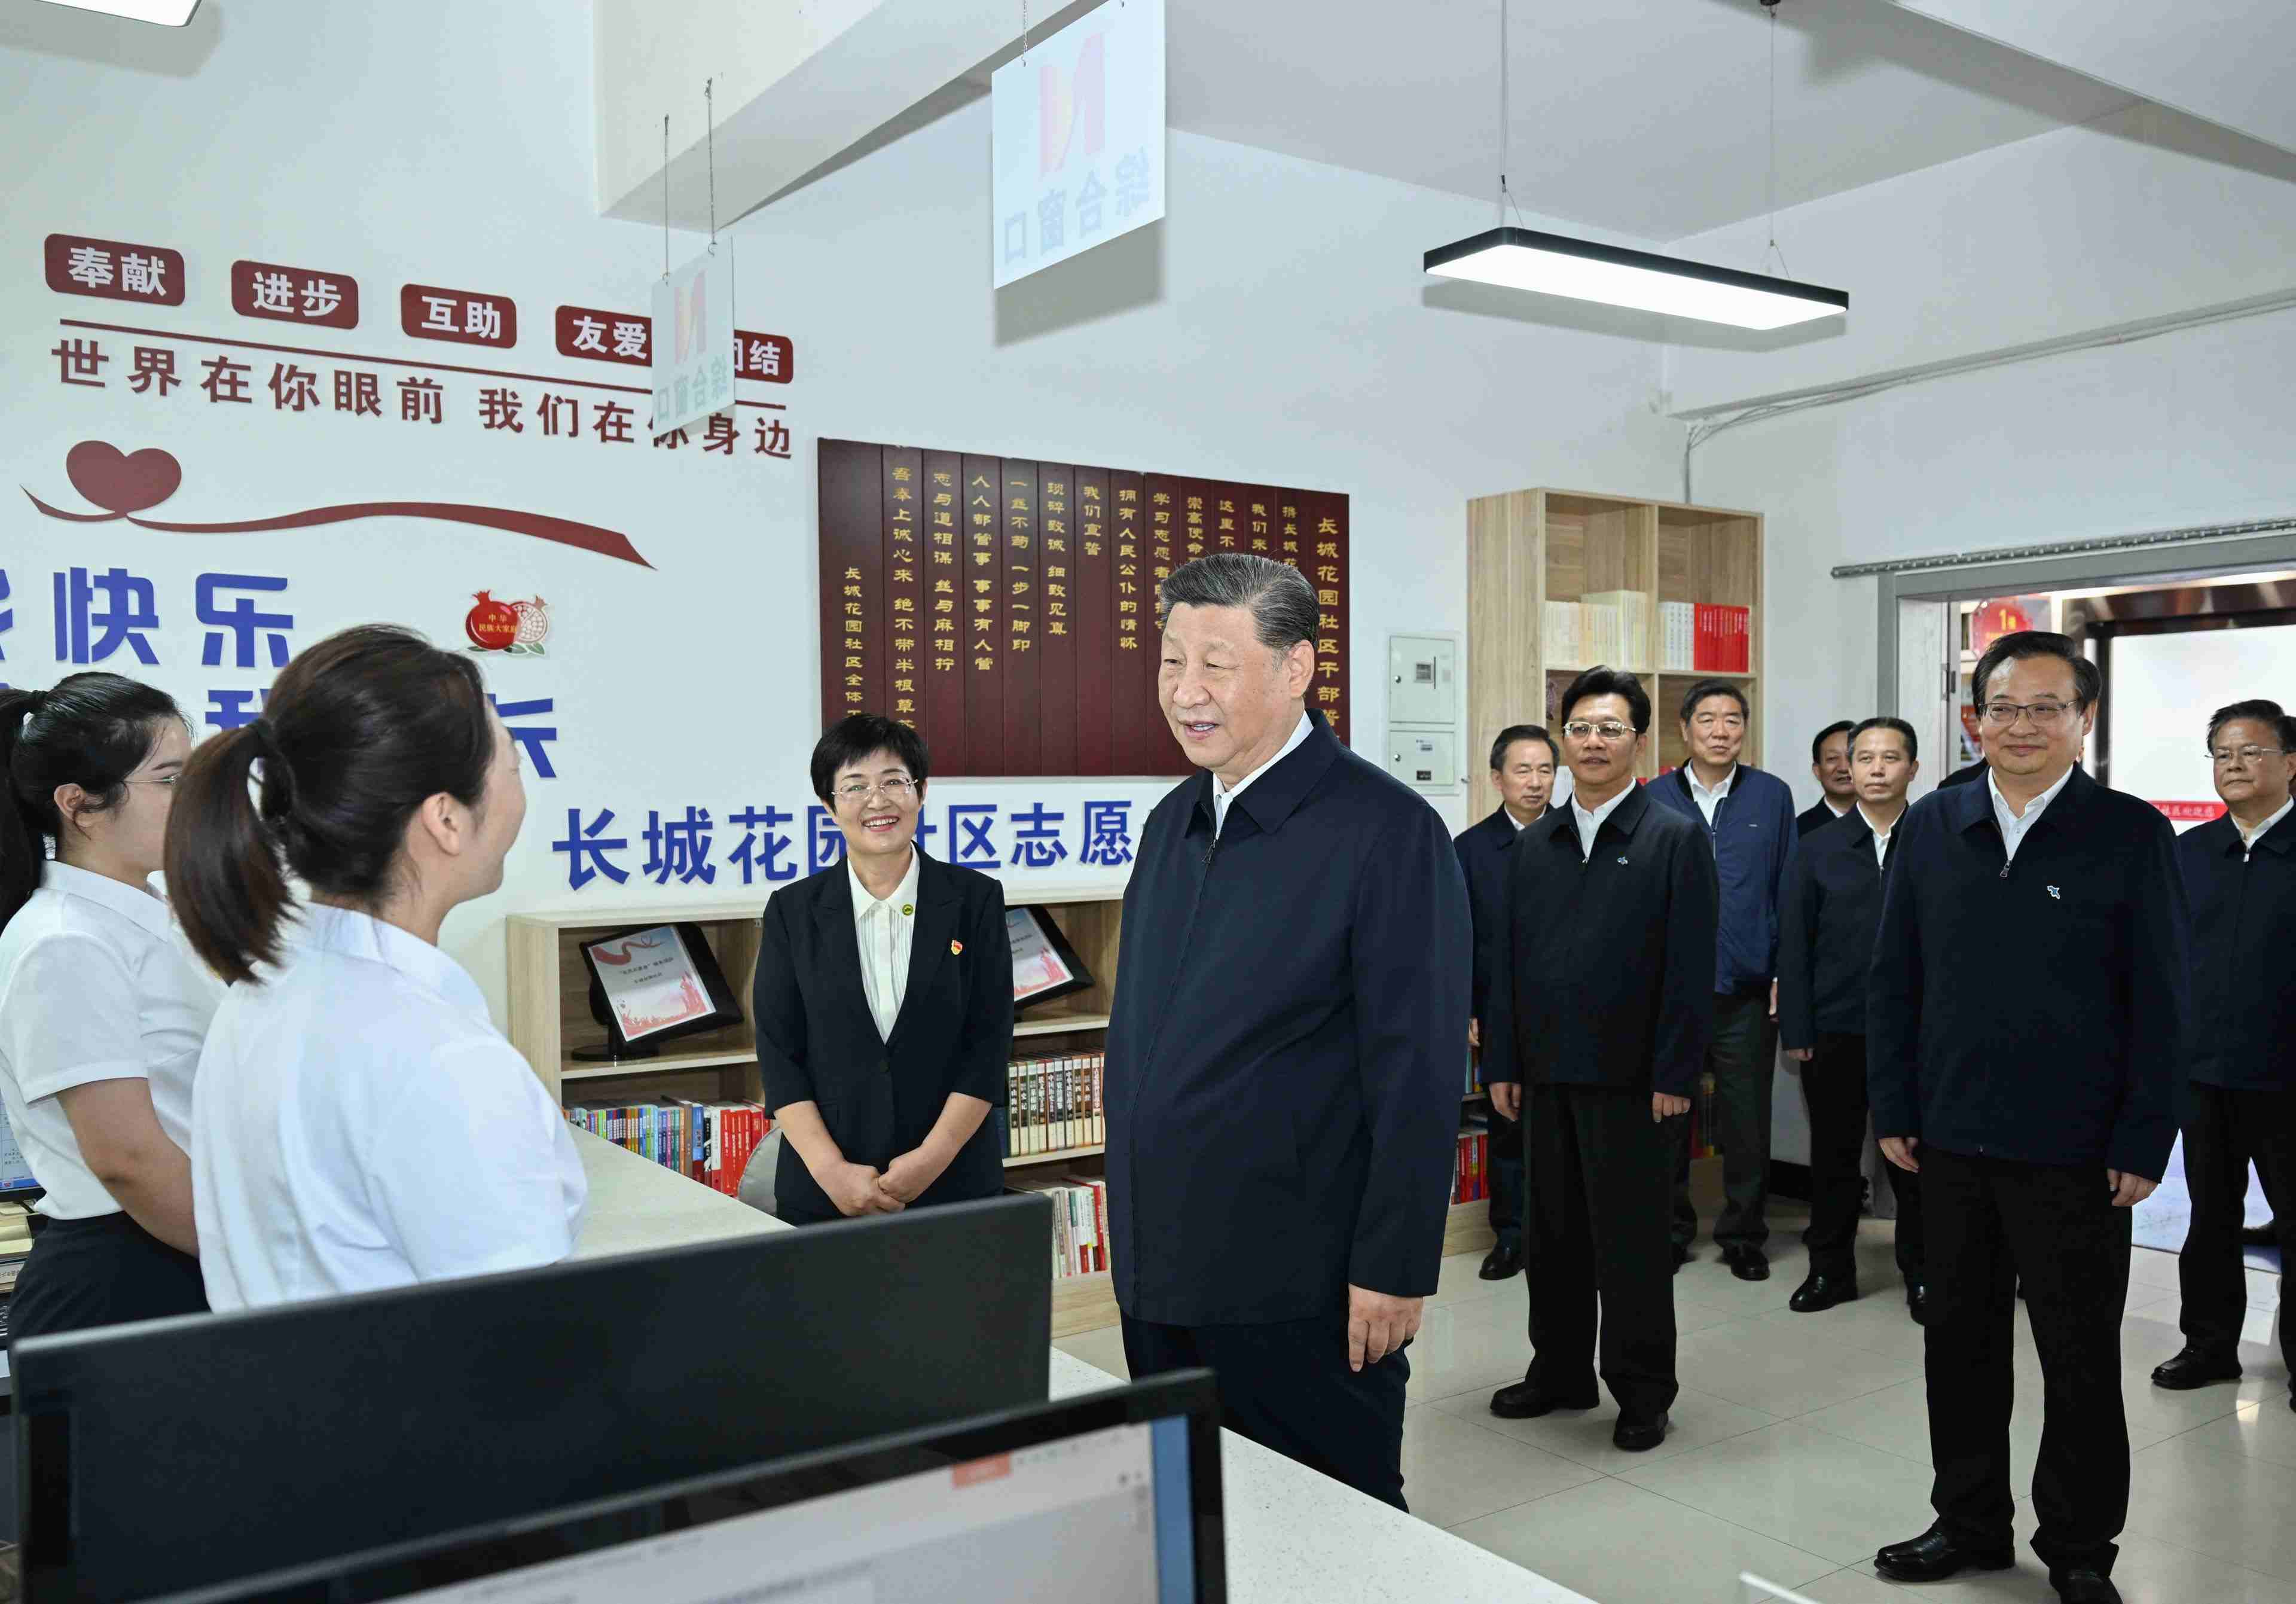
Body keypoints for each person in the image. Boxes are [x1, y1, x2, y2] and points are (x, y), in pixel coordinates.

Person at [1106, 553, 1467, 1510]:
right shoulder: (1172, 823)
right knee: (1190, 1516)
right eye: (1171, 660)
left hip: (1299, 1284)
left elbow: (1419, 1071)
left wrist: (1393, 1267)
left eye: (1216, 664)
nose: (1186, 691)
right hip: (1160, 1268)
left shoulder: (1386, 830)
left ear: (1296, 667)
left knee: (1330, 1530)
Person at [1867, 630, 2187, 1604]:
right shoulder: (1934, 823)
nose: (2023, 726)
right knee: (1957, 1346)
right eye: (2004, 707)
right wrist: (1896, 1104)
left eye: (2048, 707)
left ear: (2084, 719)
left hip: (2076, 1151)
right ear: (1975, 720)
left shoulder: (2131, 832)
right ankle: (1968, 1521)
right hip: (1949, 1140)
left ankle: (2080, 1543)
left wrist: (2144, 1135)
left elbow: (2164, 998)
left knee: (2078, 1356)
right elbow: (1894, 977)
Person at [172, 626, 588, 1310]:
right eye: (513, 762)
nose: (520, 787)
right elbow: (522, 1337)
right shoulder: (439, 1058)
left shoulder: (264, 994)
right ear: (446, 819)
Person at [1484, 667, 1717, 1452]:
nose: (1592, 741)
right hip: (1547, 1074)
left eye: (1610, 728)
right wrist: (1504, 1061)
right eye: (1580, 727)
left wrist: (1675, 1074)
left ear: (1639, 741)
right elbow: (1506, 964)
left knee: (1633, 1248)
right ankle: (1558, 1372)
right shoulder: (1535, 842)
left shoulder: (1673, 838)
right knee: (1551, 1240)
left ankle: (1643, 1391)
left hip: (1634, 1081)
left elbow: (1690, 967)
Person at [0, 676, 217, 1343]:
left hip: (178, 1247)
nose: (192, 799)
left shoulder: (151, 915)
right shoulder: (65, 941)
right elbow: (128, 1157)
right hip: (130, 1275)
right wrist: (255, 1259)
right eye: (169, 780)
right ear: (80, 806)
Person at [752, 715, 1012, 1225]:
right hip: (823, 1190)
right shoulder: (792, 910)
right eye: (855, 786)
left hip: (955, 1181)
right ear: (829, 806)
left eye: (894, 781)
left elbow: (989, 1043)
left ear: (921, 792)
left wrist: (929, 1161)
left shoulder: (975, 900)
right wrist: (832, 1172)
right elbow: (779, 1055)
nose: (877, 801)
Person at [2150, 699, 2296, 1406]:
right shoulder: (2189, 854)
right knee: (2209, 1218)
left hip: (2288, 1077)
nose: (2234, 765)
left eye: (2252, 751)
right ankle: (2209, 1347)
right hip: (2205, 1073)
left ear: (2291, 764)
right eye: (2222, 754)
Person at [1647, 678, 1796, 1280]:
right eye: (1707, 719)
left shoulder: (1771, 796)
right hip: (1669, 995)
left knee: (1746, 1121)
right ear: (1684, 730)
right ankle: (1668, 1232)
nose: (1720, 730)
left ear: (1744, 730)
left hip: (1746, 989)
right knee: (1666, 1119)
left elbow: (1786, 887)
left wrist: (1784, 969)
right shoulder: (1653, 797)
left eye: (1732, 719)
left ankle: (1743, 1235)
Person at [1776, 716, 1925, 1321]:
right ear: (1849, 768)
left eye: (1890, 758)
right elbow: (1795, 942)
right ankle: (1829, 1270)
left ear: (1912, 769)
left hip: (1918, 1034)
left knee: (1915, 1162)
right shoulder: (1817, 847)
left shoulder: (1936, 841)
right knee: (1834, 1160)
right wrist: (1798, 1028)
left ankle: (1924, 1274)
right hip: (1836, 1028)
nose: (1876, 769)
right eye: (1865, 758)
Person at [1457, 723, 1557, 1281]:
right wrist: (1470, 1005)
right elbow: (1459, 937)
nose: (1536, 782)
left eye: (1545, 770)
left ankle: (1565, 1238)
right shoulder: (1470, 849)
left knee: (1568, 1128)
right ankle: (1512, 1237)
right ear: (1498, 779)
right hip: (1502, 1010)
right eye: (1524, 770)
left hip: (1572, 1012)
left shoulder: (1579, 838)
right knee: (1508, 1125)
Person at [1798, 721, 1857, 837]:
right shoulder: (1799, 830)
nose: (1844, 768)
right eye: (1832, 758)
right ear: (1817, 771)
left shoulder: (1889, 823)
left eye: (1851, 757)